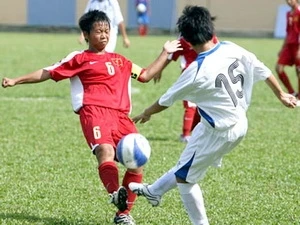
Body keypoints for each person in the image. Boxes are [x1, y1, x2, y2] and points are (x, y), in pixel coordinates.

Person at [2, 10, 181, 225]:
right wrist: (16, 80)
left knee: (137, 163)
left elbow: (144, 75)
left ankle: (123, 214)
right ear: (86, 34)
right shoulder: (79, 58)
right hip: (94, 113)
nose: (104, 35)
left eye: (107, 31)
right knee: (105, 151)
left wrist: (165, 52)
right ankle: (115, 193)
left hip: (122, 117)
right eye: (99, 31)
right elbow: (48, 72)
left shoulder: (120, 60)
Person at [128, 6, 297, 225]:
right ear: (210, 28)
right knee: (186, 163)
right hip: (235, 123)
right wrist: (281, 94)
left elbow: (165, 100)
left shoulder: (196, 70)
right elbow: (262, 69)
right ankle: (154, 191)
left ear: (187, 41)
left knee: (185, 180)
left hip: (218, 132)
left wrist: (146, 113)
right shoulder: (231, 47)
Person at [154, 31, 219, 143]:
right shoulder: (208, 35)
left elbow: (170, 55)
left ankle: (187, 134)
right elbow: (172, 55)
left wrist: (159, 69)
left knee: (196, 105)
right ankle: (188, 134)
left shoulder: (187, 38)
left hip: (196, 74)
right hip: (200, 74)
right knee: (196, 105)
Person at [275, 0, 300, 99]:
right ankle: (292, 92)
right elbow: (288, 32)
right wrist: (282, 48)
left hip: (298, 46)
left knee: (299, 71)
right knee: (278, 68)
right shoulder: (289, 13)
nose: (289, 1)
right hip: (289, 46)